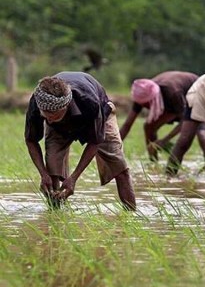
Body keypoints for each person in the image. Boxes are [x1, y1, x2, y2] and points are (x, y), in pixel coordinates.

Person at [25, 72, 136, 210]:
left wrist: (74, 178)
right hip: (59, 128)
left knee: (119, 166)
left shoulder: (90, 103)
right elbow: (31, 140)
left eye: (54, 115)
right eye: (46, 116)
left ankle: (131, 214)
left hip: (99, 117)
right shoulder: (38, 102)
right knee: (52, 169)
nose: (49, 120)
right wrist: (43, 174)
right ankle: (55, 215)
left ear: (66, 106)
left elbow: (95, 142)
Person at [119, 71, 205, 162]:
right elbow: (127, 125)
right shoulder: (141, 94)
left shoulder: (173, 93)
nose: (146, 107)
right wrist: (113, 147)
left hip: (196, 94)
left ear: (153, 98)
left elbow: (185, 122)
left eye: (148, 104)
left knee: (202, 136)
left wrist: (164, 140)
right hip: (172, 104)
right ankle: (153, 161)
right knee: (149, 126)